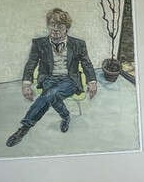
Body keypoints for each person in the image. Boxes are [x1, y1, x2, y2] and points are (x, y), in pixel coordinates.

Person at [6, 8, 98, 147]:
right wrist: (26, 84)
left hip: (70, 80)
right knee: (52, 95)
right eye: (52, 25)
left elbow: (87, 64)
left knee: (50, 94)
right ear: (48, 25)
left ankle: (24, 128)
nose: (55, 29)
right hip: (48, 79)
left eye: (60, 26)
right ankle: (66, 116)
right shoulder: (39, 43)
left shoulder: (78, 44)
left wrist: (92, 82)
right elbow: (31, 63)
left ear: (67, 28)